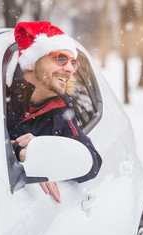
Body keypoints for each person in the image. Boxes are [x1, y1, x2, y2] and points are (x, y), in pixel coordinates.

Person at [6, 21, 102, 203]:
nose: (69, 69)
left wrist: (44, 150)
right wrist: (19, 152)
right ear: (32, 62)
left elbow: (91, 162)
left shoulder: (61, 107)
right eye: (60, 59)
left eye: (73, 62)